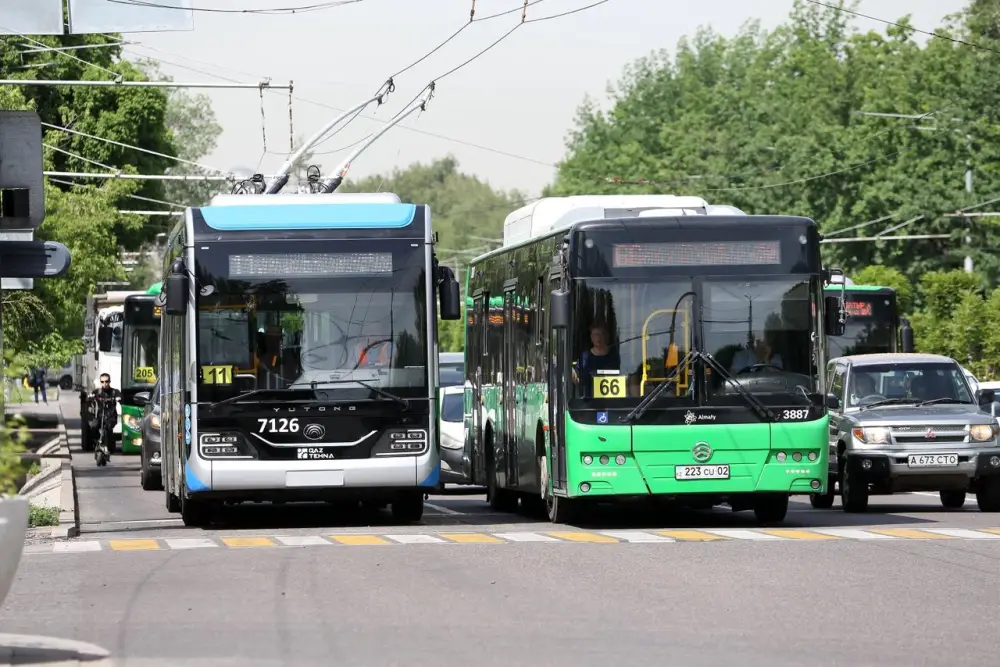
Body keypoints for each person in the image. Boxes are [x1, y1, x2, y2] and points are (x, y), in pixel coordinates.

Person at [572, 322, 621, 396]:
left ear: (606, 336)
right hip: (590, 403)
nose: (598, 337)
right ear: (591, 338)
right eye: (595, 335)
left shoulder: (614, 354)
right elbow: (577, 379)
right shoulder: (585, 357)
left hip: (614, 402)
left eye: (600, 334)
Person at [91, 373, 122, 456]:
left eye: (106, 381)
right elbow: (91, 396)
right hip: (100, 416)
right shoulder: (98, 392)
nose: (104, 383)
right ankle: (97, 442)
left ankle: (109, 446)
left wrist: (118, 399)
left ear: (110, 381)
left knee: (108, 428)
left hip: (111, 416)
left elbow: (121, 397)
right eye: (102, 381)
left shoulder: (115, 392)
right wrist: (91, 396)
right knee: (93, 426)